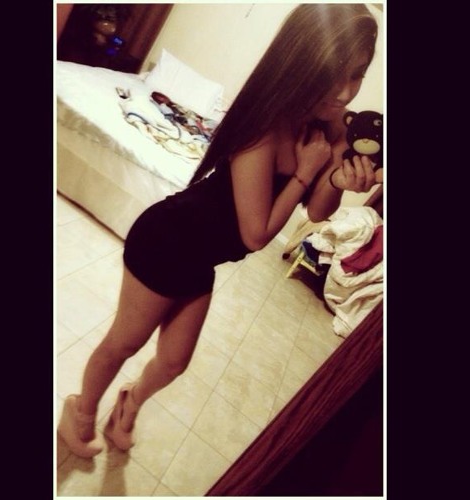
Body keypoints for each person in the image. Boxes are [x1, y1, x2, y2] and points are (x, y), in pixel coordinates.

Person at [58, 3, 382, 458]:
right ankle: (80, 410)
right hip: (168, 240)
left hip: (200, 256)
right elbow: (255, 235)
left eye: (358, 74)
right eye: (335, 73)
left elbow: (316, 211)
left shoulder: (329, 127)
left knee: (173, 362)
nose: (346, 92)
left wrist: (338, 179)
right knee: (125, 342)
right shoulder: (266, 123)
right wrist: (307, 172)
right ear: (303, 61)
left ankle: (128, 404)